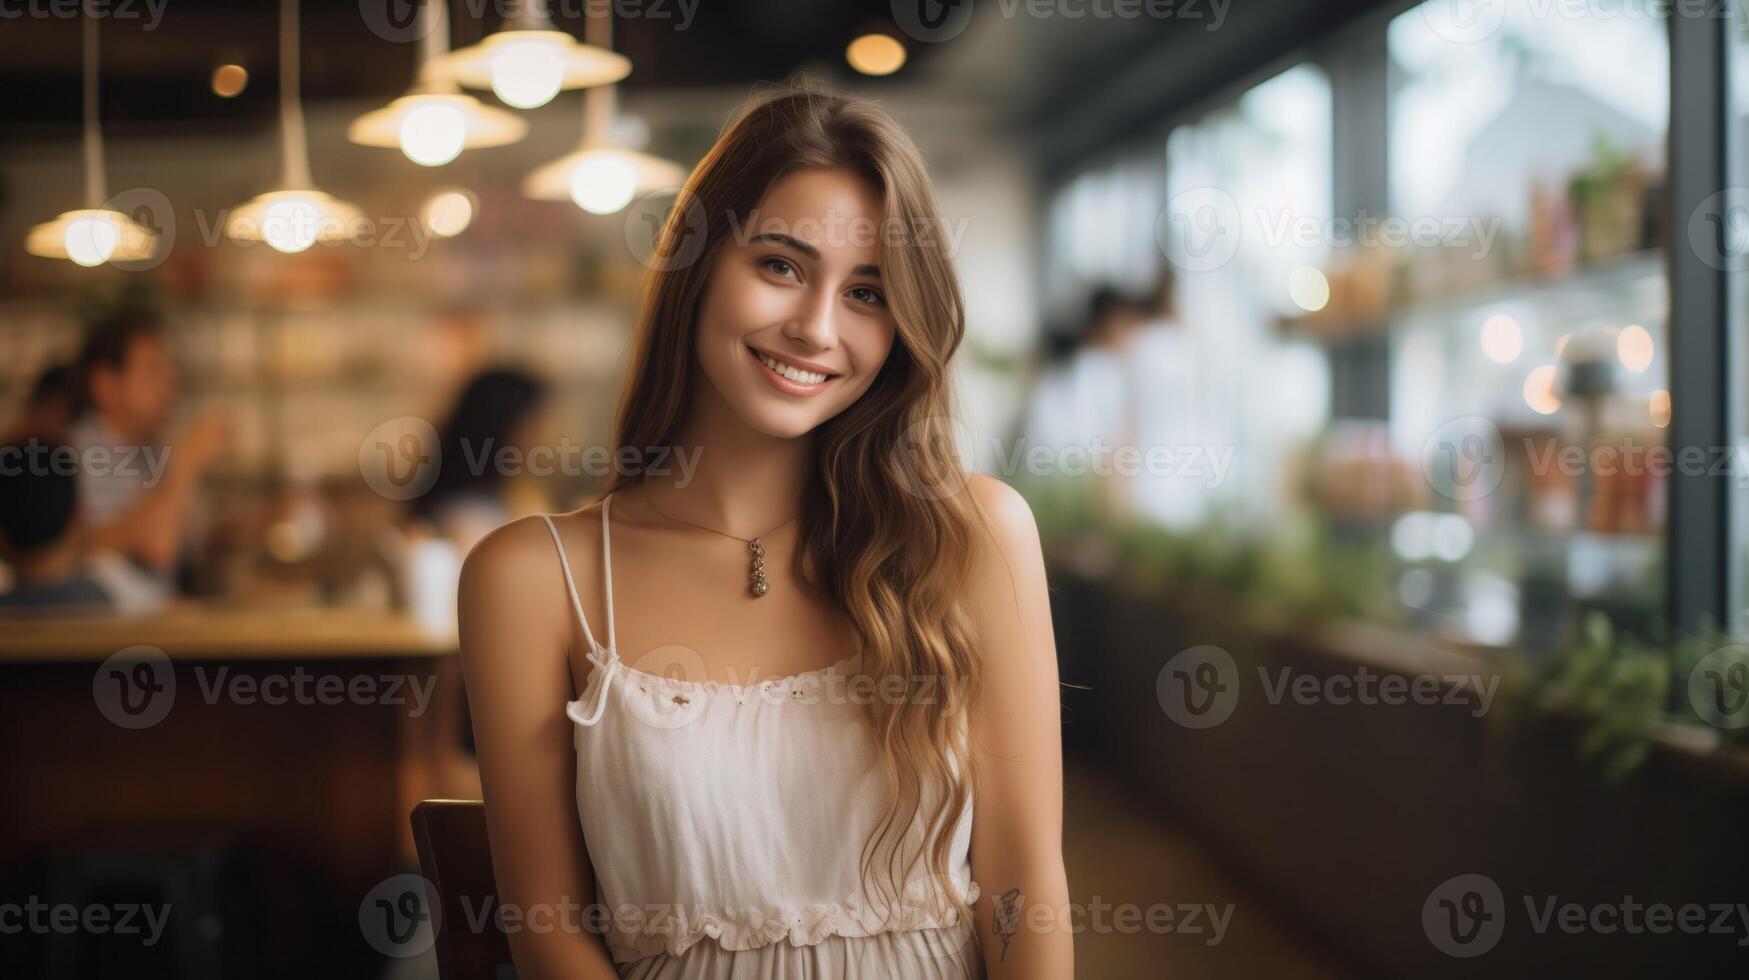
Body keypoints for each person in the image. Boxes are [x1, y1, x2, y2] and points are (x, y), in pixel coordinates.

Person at [457, 85, 1071, 979]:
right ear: (696, 264)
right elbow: (547, 932)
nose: (816, 329)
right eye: (780, 265)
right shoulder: (531, 578)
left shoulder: (974, 535)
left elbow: (1023, 887)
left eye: (866, 292)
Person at [66, 307, 226, 586]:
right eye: (154, 370)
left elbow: (192, 541)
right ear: (105, 384)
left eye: (169, 370)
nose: (170, 384)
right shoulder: (70, 457)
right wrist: (187, 464)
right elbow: (156, 548)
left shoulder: (149, 452)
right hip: (96, 625)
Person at [408, 367, 551, 554]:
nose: (543, 439)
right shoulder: (467, 520)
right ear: (500, 429)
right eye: (534, 426)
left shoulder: (512, 500)